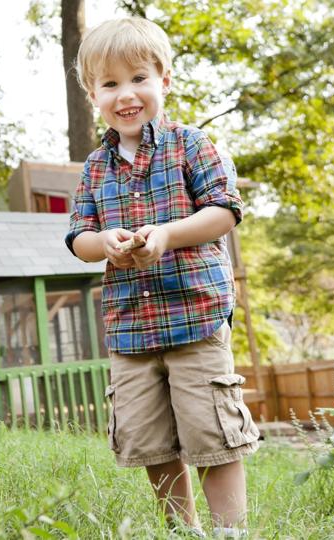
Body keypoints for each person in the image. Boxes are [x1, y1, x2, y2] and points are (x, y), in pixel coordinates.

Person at [65, 17, 259, 539]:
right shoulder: (94, 169)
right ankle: (182, 531)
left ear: (164, 81)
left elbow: (225, 211)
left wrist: (168, 236)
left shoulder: (191, 144)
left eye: (138, 79)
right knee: (151, 439)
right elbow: (79, 239)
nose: (125, 94)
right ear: (93, 94)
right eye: (110, 84)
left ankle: (229, 533)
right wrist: (104, 242)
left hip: (195, 316)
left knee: (212, 432)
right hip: (131, 328)